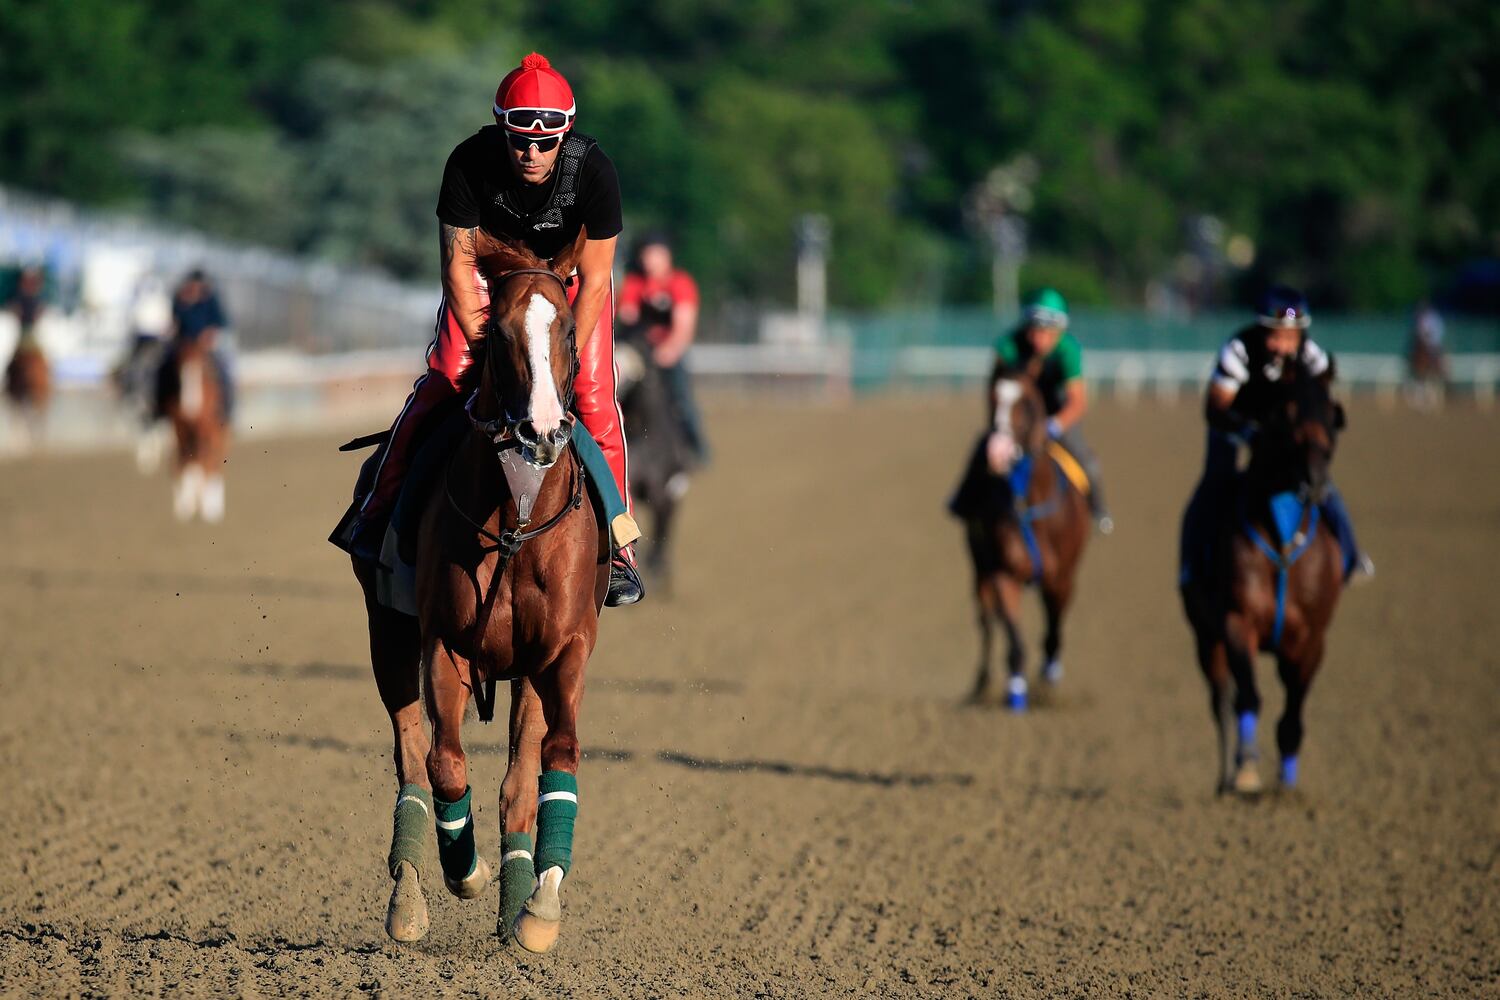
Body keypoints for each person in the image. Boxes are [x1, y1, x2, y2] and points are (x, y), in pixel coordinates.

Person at [343, 52, 643, 606]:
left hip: (569, 290)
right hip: (486, 284)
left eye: (546, 142)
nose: (532, 153)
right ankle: (376, 512)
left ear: (565, 134)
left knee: (595, 398)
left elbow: (598, 280)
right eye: (521, 141)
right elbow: (457, 267)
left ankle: (620, 547)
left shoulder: (596, 171)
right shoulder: (467, 162)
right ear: (502, 129)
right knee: (445, 380)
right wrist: (489, 349)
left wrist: (560, 358)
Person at [1180, 285, 1373, 585]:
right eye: (1276, 336)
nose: (1283, 346)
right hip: (1234, 425)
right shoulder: (1239, 350)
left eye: (1291, 337)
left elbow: (1321, 400)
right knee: (1215, 483)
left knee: (1321, 484)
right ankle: (1194, 564)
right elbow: (1216, 408)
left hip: (1279, 431)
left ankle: (1351, 554)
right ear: (1261, 331)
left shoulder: (1310, 355)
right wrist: (1247, 431)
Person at [991, 287, 1113, 533]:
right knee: (984, 454)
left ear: (1058, 331)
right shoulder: (1010, 346)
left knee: (1086, 461)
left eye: (1046, 332)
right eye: (1034, 330)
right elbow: (996, 387)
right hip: (1019, 418)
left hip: (1057, 418)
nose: (1038, 338)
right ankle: (965, 501)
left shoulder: (1068, 351)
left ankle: (1098, 509)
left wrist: (1053, 426)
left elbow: (1077, 402)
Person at [617, 233, 709, 465]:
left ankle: (696, 447)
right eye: (647, 254)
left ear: (667, 256)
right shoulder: (635, 283)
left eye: (655, 254)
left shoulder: (680, 283)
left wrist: (669, 350)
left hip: (668, 352)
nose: (650, 260)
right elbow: (626, 316)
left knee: (681, 398)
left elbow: (684, 327)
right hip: (638, 352)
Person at [155, 269, 234, 421]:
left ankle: (226, 409)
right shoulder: (180, 299)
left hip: (206, 347)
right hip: (183, 346)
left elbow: (220, 323)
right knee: (163, 368)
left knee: (224, 371)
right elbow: (174, 323)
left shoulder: (210, 300)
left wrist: (208, 335)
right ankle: (160, 408)